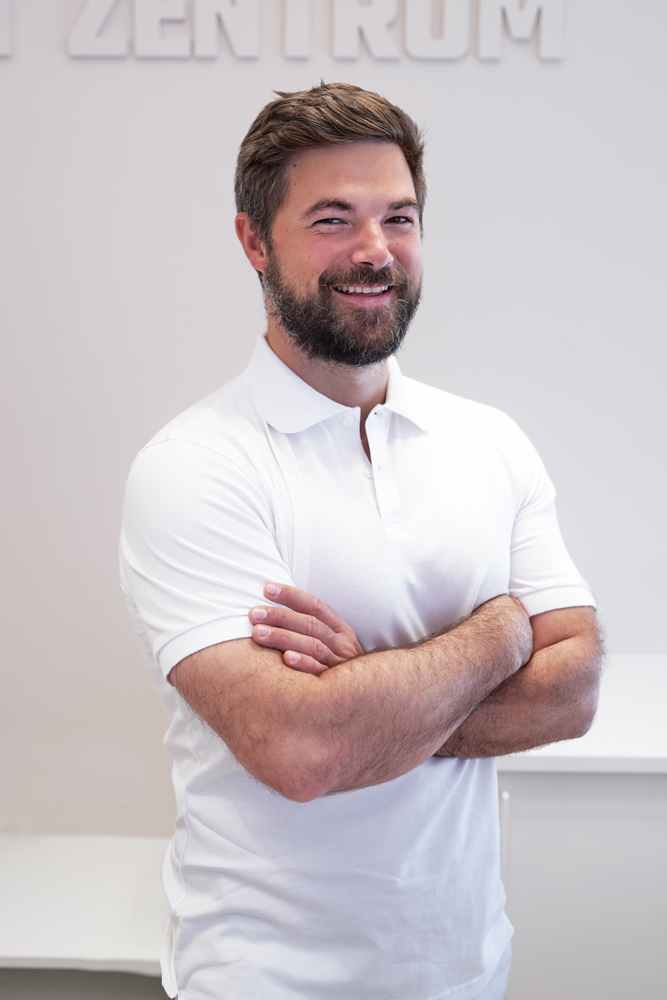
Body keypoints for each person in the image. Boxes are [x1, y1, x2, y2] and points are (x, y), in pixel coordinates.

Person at [120, 83, 601, 1000]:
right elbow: (302, 753)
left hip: (466, 969)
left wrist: (364, 702)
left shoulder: (489, 441)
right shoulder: (193, 469)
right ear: (254, 240)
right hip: (264, 979)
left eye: (399, 217)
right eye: (332, 219)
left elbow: (573, 691)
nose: (375, 249)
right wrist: (500, 631)